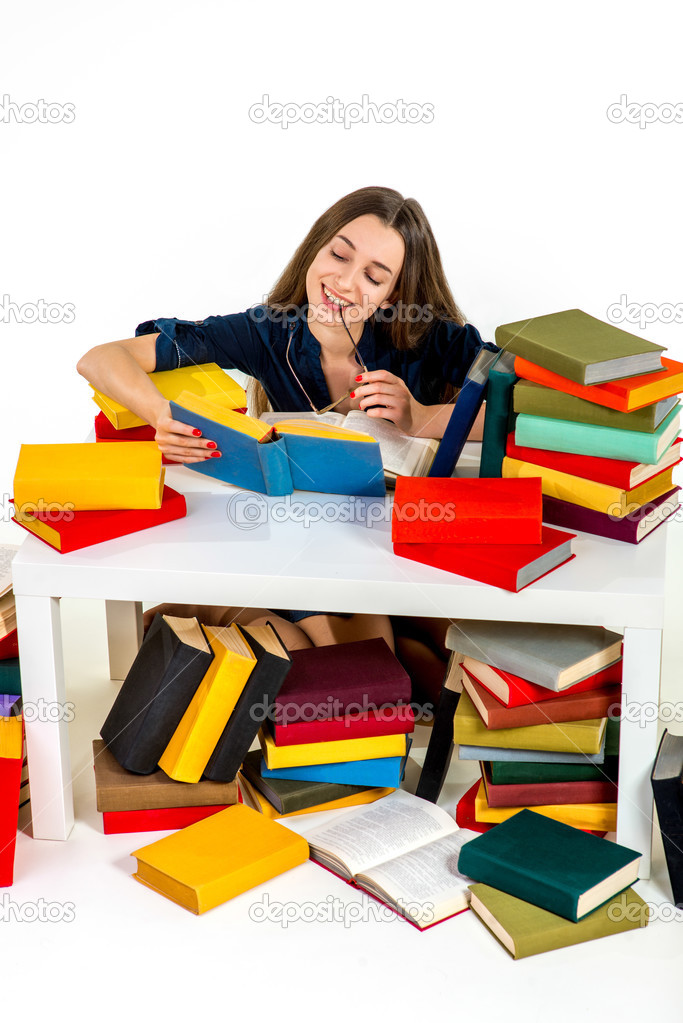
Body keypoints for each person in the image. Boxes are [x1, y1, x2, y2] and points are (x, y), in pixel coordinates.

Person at [77, 185, 497, 706]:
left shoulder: (428, 336)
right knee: (335, 662)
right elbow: (101, 357)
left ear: (393, 294)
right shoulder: (267, 331)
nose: (344, 281)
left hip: (399, 545)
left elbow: (526, 406)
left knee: (431, 662)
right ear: (315, 249)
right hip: (295, 542)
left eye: (373, 274)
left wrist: (423, 416)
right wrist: (161, 416)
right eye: (339, 254)